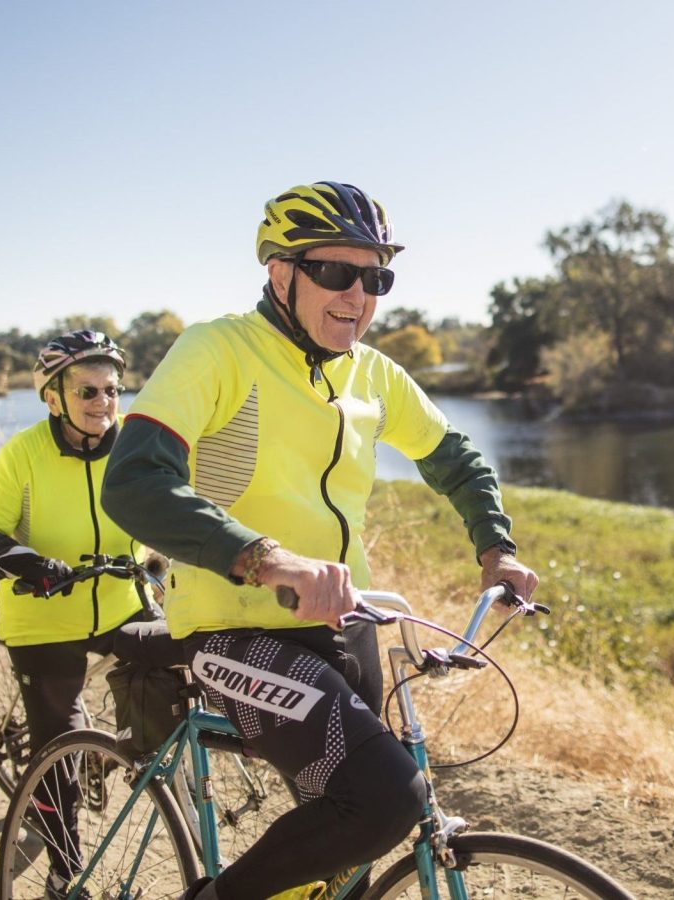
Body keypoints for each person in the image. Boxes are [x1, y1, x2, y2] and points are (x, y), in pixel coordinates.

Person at [101, 181, 540, 900]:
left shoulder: (373, 373)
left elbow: (455, 458)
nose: (358, 296)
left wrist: (498, 548)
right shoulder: (218, 351)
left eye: (376, 278)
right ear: (281, 272)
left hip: (343, 623)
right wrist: (265, 558)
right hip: (237, 628)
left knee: (348, 851)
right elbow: (133, 483)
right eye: (337, 272)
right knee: (388, 799)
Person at [0, 329, 163, 898]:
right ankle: (63, 868)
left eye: (112, 391)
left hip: (122, 605)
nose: (103, 404)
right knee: (59, 746)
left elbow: (170, 512)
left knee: (169, 691)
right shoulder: (23, 453)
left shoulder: (134, 448)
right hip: (42, 615)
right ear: (53, 397)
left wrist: (169, 564)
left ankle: (116, 759)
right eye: (88, 392)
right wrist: (26, 563)